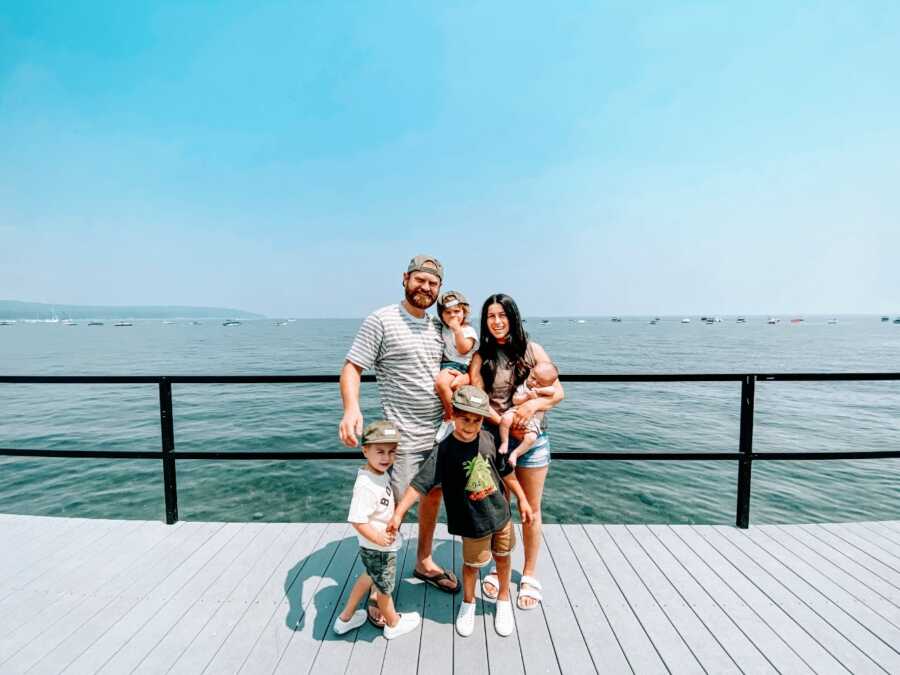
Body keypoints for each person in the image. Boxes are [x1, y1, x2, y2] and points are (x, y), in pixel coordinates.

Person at [339, 255, 460, 626]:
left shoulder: (439, 328)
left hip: (440, 433)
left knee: (433, 495)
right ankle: (379, 591)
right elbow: (352, 367)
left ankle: (423, 561)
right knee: (391, 514)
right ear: (405, 279)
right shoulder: (381, 320)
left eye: (433, 283)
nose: (426, 288)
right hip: (402, 438)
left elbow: (455, 365)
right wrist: (351, 408)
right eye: (420, 280)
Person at [388, 385, 533, 637]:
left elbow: (506, 473)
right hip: (472, 523)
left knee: (503, 557)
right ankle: (468, 602)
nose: (470, 425)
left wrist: (522, 499)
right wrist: (399, 513)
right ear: (452, 414)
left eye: (477, 420)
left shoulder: (488, 439)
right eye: (464, 418)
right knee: (471, 565)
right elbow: (419, 485)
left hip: (501, 516)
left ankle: (502, 599)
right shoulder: (443, 451)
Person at [468, 294, 564, 610]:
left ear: (513, 317)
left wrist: (533, 405)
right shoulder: (481, 357)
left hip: (534, 442)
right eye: (491, 316)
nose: (496, 321)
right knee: (501, 508)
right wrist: (508, 420)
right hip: (496, 439)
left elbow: (559, 392)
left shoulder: (532, 350)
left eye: (502, 315)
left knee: (531, 509)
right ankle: (499, 567)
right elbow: (479, 403)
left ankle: (530, 573)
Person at [333, 421, 421, 640]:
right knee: (384, 587)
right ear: (365, 450)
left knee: (368, 577)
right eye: (379, 451)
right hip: (379, 548)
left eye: (391, 452)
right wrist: (380, 538)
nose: (386, 457)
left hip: (373, 548)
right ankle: (393, 623)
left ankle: (345, 618)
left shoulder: (377, 473)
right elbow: (357, 520)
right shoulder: (366, 485)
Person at [497, 361, 559, 467]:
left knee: (531, 438)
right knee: (505, 419)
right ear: (530, 372)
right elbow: (515, 400)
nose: (534, 383)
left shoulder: (543, 390)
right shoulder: (524, 385)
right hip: (516, 411)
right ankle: (504, 442)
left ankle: (515, 454)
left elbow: (553, 390)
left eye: (540, 382)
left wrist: (539, 391)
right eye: (533, 378)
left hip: (534, 420)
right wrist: (526, 397)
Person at [433, 290, 478, 428]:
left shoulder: (467, 330)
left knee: (441, 384)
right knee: (449, 388)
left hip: (458, 365)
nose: (452, 315)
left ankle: (451, 416)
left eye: (457, 311)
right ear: (441, 316)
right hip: (445, 364)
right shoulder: (443, 328)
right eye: (447, 312)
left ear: (464, 312)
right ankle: (449, 412)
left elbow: (463, 349)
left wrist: (457, 330)